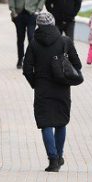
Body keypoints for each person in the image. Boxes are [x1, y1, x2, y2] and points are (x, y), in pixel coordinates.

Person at [23, 11, 82, 172]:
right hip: (62, 87)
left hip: (42, 88)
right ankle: (60, 155)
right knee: (61, 122)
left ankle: (53, 160)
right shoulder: (65, 41)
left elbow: (26, 68)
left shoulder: (34, 43)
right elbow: (78, 64)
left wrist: (35, 82)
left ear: (38, 25)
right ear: (53, 23)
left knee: (46, 123)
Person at [9, 0, 46, 69]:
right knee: (20, 38)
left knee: (31, 37)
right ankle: (20, 59)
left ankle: (31, 60)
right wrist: (13, 11)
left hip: (32, 14)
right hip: (19, 14)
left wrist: (38, 10)